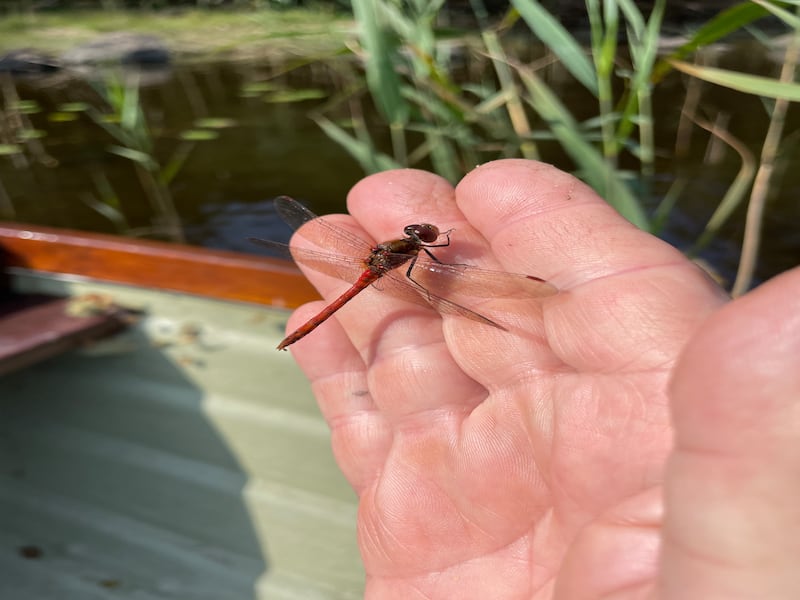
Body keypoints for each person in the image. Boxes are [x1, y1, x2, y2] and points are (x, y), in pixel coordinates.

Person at [283, 159, 800, 599]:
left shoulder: (393, 253)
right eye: (421, 237)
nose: (423, 239)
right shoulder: (418, 261)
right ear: (416, 243)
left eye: (421, 236)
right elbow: (433, 276)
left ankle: (299, 333)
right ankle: (303, 332)